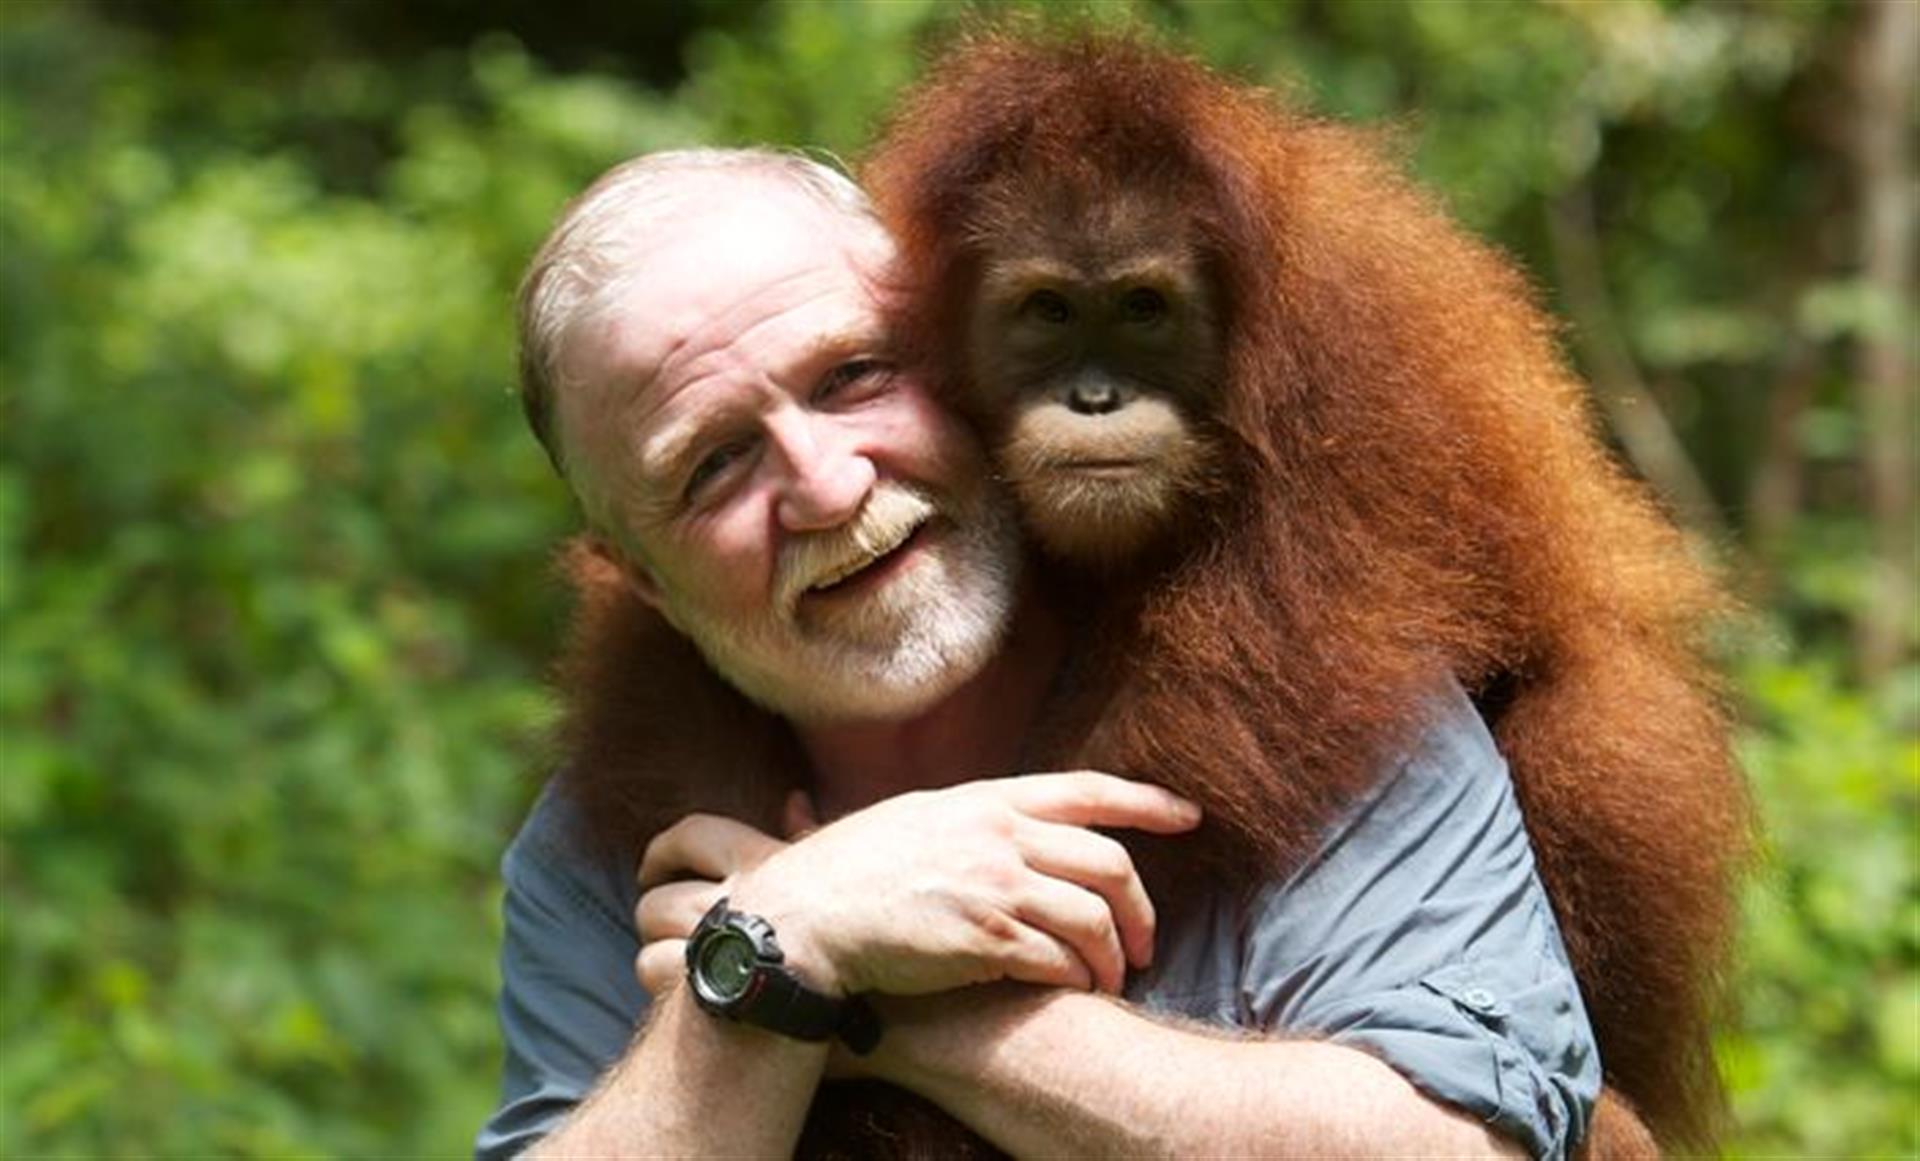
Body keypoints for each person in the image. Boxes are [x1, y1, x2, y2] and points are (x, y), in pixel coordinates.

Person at [477, 149, 1599, 1159]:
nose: (828, 486)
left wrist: (848, 989)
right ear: (642, 584)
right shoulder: (602, 840)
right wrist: (800, 929)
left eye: (854, 376)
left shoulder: (1305, 662)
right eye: (715, 465)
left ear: (968, 360)